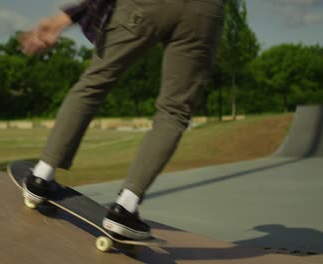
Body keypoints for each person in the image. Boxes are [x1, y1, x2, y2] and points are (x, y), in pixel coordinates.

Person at [18, 0, 224, 240]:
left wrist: (68, 16)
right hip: (204, 10)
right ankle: (125, 208)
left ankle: (41, 177)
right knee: (174, 110)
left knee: (94, 83)